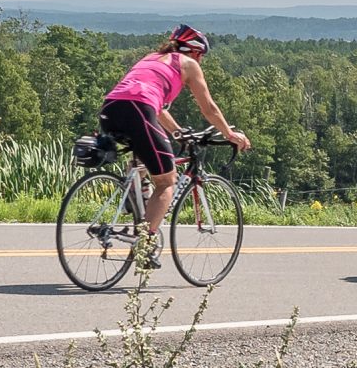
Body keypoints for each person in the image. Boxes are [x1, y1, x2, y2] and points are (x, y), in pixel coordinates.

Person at [98, 25, 251, 265]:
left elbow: (156, 108)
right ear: (196, 52)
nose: (201, 60)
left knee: (144, 159)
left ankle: (136, 199)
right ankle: (144, 244)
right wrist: (229, 133)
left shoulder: (152, 58)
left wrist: (178, 134)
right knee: (167, 181)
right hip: (138, 110)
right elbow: (208, 108)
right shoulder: (188, 64)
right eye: (201, 56)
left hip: (110, 109)